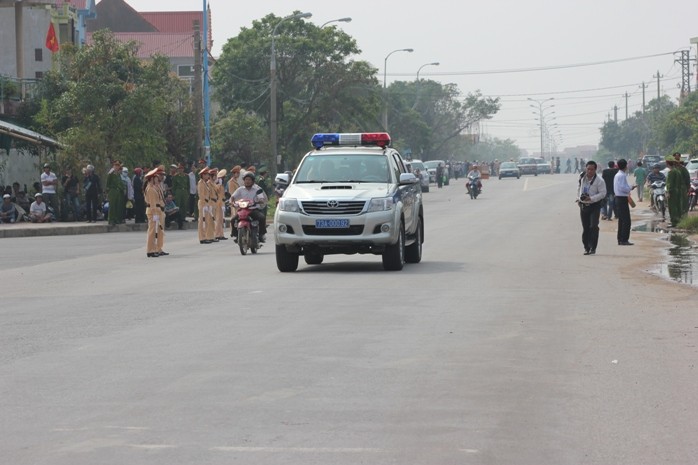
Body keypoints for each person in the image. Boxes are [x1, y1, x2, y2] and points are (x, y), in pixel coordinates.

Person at [577, 160, 607, 255]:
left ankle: (593, 247)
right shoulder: (582, 178)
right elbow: (579, 188)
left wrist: (591, 198)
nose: (589, 171)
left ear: (595, 170)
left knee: (593, 226)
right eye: (588, 169)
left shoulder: (600, 181)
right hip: (583, 206)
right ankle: (586, 247)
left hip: (594, 206)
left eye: (592, 169)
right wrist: (578, 198)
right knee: (585, 228)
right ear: (586, 168)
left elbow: (603, 193)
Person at [231, 172, 268, 243]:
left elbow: (261, 198)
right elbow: (233, 196)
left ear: (253, 181)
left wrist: (260, 200)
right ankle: (236, 235)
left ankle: (261, 234)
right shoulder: (240, 189)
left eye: (249, 180)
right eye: (246, 179)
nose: (247, 181)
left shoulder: (257, 189)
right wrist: (232, 202)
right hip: (242, 210)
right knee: (233, 220)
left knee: (262, 217)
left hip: (253, 210)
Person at [144, 168, 167, 257]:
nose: (158, 178)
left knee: (158, 231)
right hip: (154, 211)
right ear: (152, 178)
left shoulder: (154, 187)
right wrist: (155, 214)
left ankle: (157, 248)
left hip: (158, 210)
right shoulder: (150, 189)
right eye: (156, 177)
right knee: (152, 231)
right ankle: (150, 250)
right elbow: (153, 204)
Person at [613, 158, 635, 246]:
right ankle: (624, 239)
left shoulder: (618, 175)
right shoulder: (621, 175)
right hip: (621, 198)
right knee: (626, 220)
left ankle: (620, 239)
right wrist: (630, 188)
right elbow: (622, 187)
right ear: (626, 166)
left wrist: (629, 187)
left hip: (619, 198)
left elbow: (622, 186)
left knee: (622, 220)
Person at [665, 155, 688, 227]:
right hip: (678, 191)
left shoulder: (671, 172)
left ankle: (674, 222)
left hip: (672, 192)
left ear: (667, 163)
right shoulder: (677, 171)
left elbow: (670, 183)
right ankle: (678, 221)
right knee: (678, 206)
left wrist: (668, 191)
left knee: (672, 207)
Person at [197, 167, 215, 244]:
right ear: (203, 175)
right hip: (203, 203)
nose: (208, 175)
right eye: (206, 174)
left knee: (206, 221)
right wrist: (204, 205)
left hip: (206, 203)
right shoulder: (201, 183)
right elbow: (201, 195)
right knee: (202, 221)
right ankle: (202, 238)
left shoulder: (205, 183)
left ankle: (205, 237)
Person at [106, 161, 125, 225]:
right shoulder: (111, 174)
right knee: (112, 206)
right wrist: (107, 192)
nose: (117, 167)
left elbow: (119, 183)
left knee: (117, 206)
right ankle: (111, 219)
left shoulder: (118, 175)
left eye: (118, 166)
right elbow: (108, 184)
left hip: (118, 191)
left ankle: (116, 219)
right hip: (112, 191)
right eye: (115, 166)